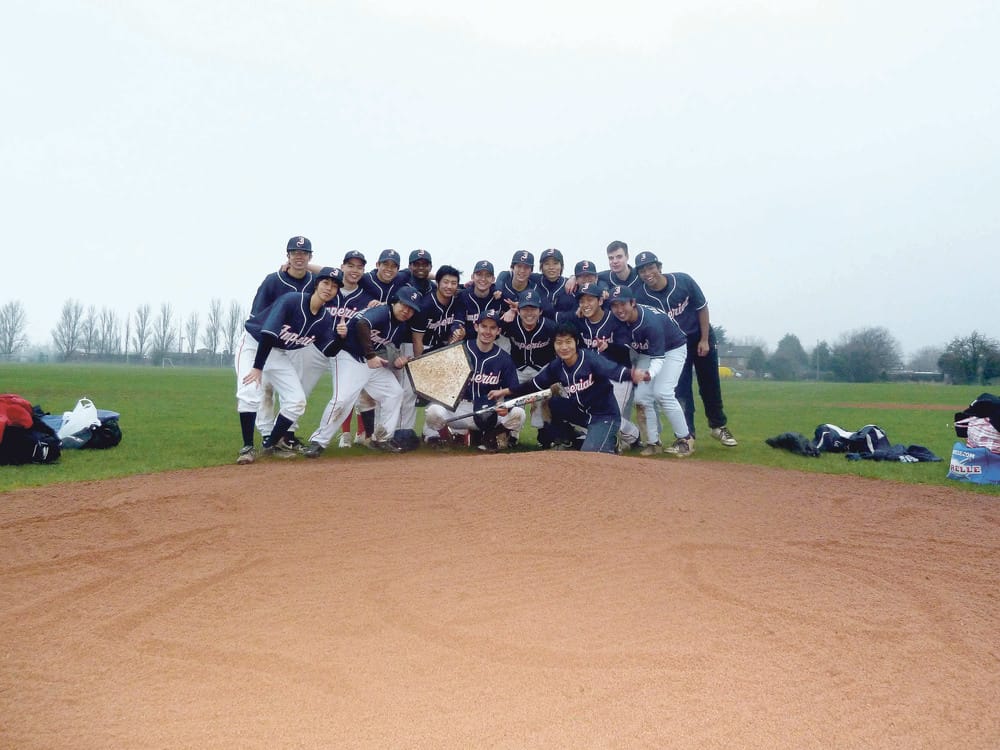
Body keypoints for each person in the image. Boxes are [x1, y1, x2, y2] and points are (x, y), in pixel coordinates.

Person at [235, 267, 344, 464]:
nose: (329, 288)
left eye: (335, 286)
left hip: (277, 352)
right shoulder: (292, 301)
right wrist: (258, 368)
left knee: (296, 401)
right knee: (249, 392)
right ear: (316, 284)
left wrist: (341, 337)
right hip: (253, 345)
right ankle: (247, 447)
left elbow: (328, 350)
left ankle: (271, 444)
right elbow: (268, 334)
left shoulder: (324, 318)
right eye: (326, 283)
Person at [632, 251, 738, 447]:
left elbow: (702, 308)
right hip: (674, 345)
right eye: (642, 270)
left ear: (659, 267)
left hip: (698, 336)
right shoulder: (640, 295)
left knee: (710, 384)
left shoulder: (682, 281)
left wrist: (705, 339)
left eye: (651, 267)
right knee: (681, 389)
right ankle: (688, 435)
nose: (648, 273)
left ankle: (718, 426)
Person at [303, 286, 424, 457]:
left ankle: (381, 439)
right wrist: (371, 355)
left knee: (395, 393)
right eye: (404, 305)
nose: (406, 311)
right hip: (348, 356)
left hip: (370, 362)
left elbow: (387, 351)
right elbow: (362, 323)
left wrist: (396, 363)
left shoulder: (401, 327)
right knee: (342, 400)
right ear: (394, 302)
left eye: (411, 309)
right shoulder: (382, 311)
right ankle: (318, 442)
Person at [488, 322, 643, 454]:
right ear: (554, 345)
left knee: (590, 455)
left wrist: (633, 374)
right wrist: (506, 392)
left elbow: (612, 370)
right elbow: (533, 385)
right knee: (553, 402)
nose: (564, 347)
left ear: (576, 342)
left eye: (568, 342)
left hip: (604, 416)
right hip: (581, 412)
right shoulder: (557, 366)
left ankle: (610, 441)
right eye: (559, 343)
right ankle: (570, 439)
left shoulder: (589, 359)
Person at [608, 284, 694, 457]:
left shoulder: (649, 322)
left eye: (622, 304)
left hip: (672, 348)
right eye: (614, 305)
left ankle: (686, 439)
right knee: (641, 398)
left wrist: (649, 374)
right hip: (647, 352)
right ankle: (653, 442)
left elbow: (659, 357)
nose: (619, 309)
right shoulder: (617, 319)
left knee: (662, 392)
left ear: (633, 302)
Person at [249, 235, 318, 449]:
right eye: (295, 253)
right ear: (287, 255)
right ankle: (267, 433)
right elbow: (257, 314)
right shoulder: (273, 280)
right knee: (266, 389)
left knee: (295, 390)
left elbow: (339, 275)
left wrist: (311, 267)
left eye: (304, 253)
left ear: (310, 256)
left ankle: (285, 434)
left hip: (295, 344)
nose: (299, 257)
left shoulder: (314, 282)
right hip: (270, 343)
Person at [423, 309, 525, 452]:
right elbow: (442, 383)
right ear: (476, 327)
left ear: (498, 331)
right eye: (484, 326)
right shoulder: (460, 350)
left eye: (492, 327)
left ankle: (491, 438)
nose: (487, 331)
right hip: (461, 409)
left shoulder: (504, 358)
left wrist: (505, 404)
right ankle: (446, 439)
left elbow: (514, 390)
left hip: (490, 411)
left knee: (519, 413)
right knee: (433, 411)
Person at [563, 282, 640, 450]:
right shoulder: (579, 322)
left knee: (611, 417)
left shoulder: (614, 319)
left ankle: (634, 435)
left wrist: (609, 346)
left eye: (590, 300)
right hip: (594, 378)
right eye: (582, 301)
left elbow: (627, 350)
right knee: (587, 413)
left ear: (600, 301)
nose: (585, 304)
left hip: (618, 374)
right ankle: (603, 437)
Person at [500, 289, 556, 438]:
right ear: (518, 310)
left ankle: (544, 436)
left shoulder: (550, 327)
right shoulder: (511, 324)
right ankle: (511, 435)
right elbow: (492, 329)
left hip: (542, 369)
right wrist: (506, 314)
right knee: (511, 402)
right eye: (525, 309)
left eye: (533, 309)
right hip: (518, 369)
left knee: (544, 401)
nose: (529, 313)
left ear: (540, 311)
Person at [410, 265, 467, 357]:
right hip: (420, 346)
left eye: (453, 283)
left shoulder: (457, 302)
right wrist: (419, 364)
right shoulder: (425, 305)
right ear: (437, 283)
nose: (449, 286)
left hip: (442, 346)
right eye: (445, 282)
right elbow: (417, 340)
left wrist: (460, 333)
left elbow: (456, 328)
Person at [459, 259, 504, 338]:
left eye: (488, 275)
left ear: (493, 279)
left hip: (493, 341)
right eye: (479, 274)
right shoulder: (463, 296)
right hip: (468, 341)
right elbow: (457, 321)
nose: (483, 279)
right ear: (472, 277)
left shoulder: (500, 295)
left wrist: (512, 311)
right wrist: (457, 331)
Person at [536, 248, 576, 319]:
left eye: (555, 263)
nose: (551, 267)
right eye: (547, 264)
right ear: (541, 267)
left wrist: (575, 277)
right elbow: (512, 274)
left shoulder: (571, 285)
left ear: (561, 266)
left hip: (564, 328)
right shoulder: (534, 280)